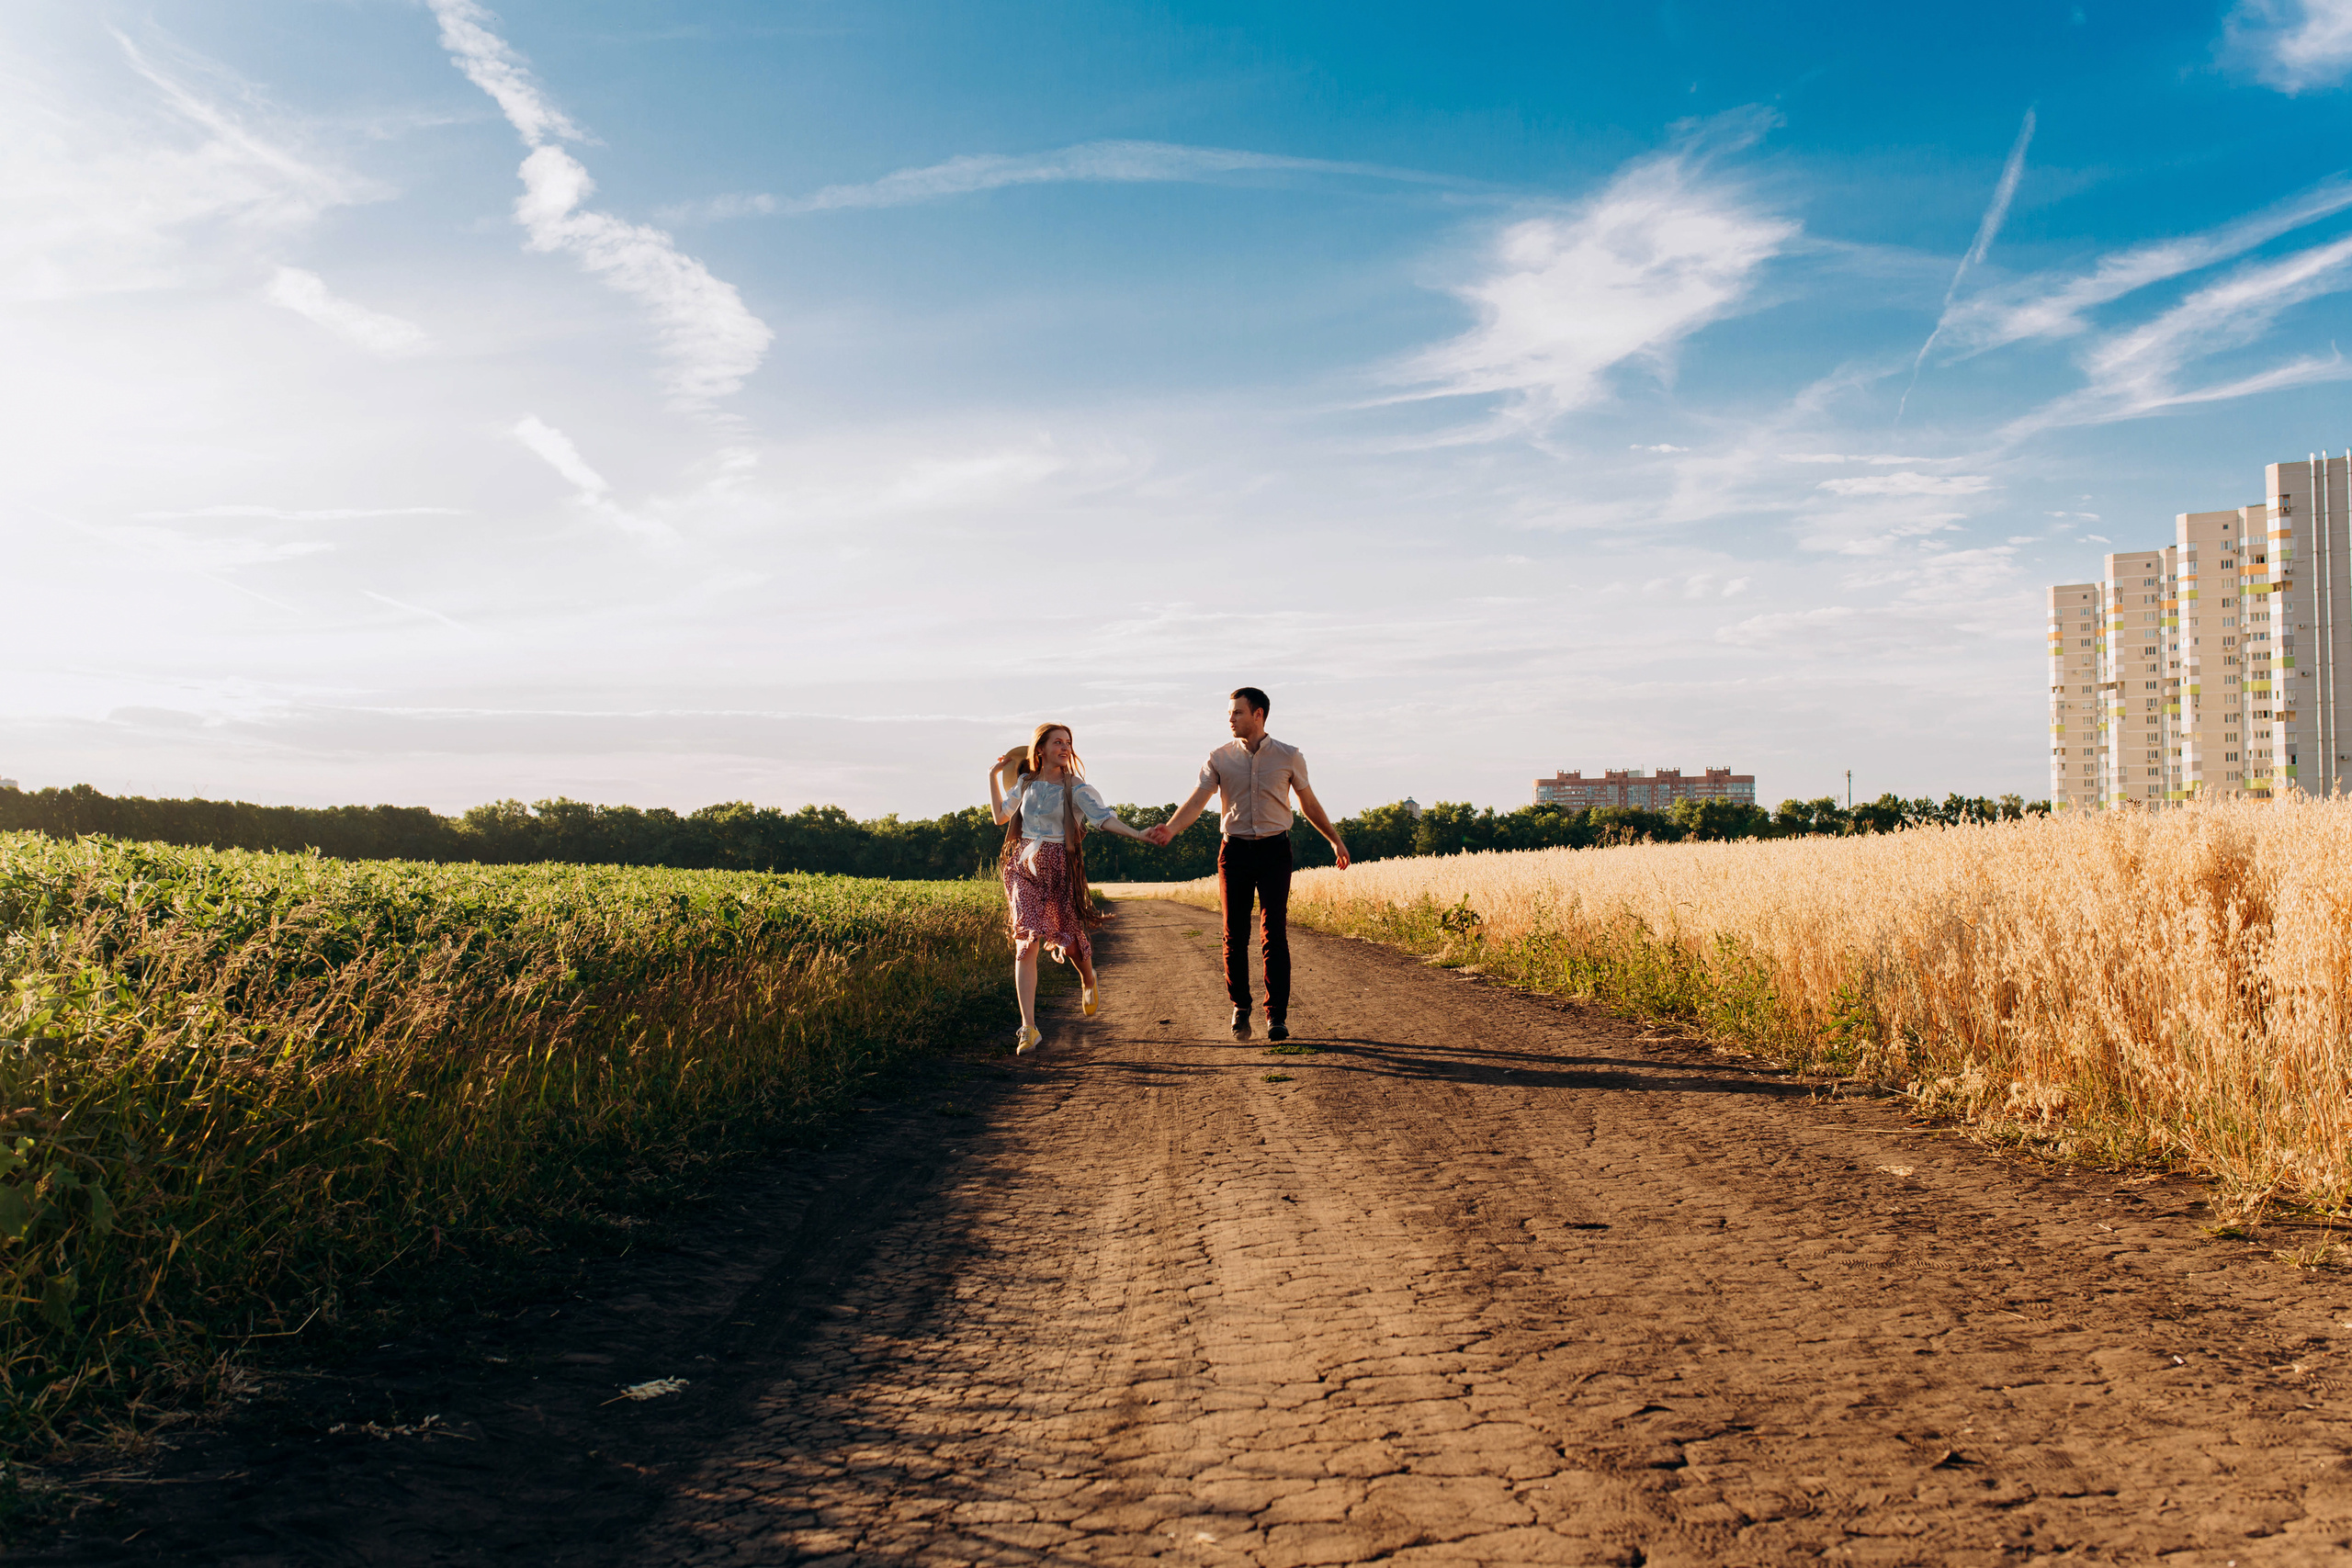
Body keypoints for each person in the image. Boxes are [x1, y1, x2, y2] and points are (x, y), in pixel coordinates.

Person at [1146, 687, 1348, 1042]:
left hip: (1275, 852)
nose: (1230, 719)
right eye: (1229, 713)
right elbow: (1197, 800)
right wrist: (1171, 829)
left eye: (1237, 713)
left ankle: (1276, 1017)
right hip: (1234, 853)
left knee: (1274, 934)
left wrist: (1334, 838)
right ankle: (1240, 1008)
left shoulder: (1289, 756)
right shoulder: (1219, 758)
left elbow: (1308, 802)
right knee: (1234, 935)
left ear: (1259, 714)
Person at [989, 722, 1158, 1055]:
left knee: (1069, 941)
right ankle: (1029, 1028)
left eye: (1068, 743)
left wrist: (1139, 834)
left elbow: (1104, 819)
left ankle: (1088, 977)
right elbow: (999, 817)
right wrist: (994, 776)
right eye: (1057, 742)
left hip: (1060, 868)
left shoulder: (1077, 788)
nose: (1065, 748)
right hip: (1023, 865)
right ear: (1040, 749)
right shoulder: (1024, 783)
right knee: (1027, 939)